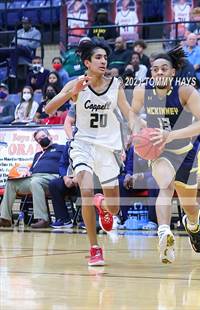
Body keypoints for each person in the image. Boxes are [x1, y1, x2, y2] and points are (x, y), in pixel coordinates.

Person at [45, 38, 133, 266]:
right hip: (83, 145)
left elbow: (128, 112)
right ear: (87, 62)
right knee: (85, 192)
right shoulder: (77, 83)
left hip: (109, 149)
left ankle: (102, 204)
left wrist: (139, 129)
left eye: (105, 57)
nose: (104, 61)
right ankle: (95, 248)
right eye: (98, 57)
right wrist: (70, 93)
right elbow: (48, 109)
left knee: (113, 208)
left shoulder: (116, 84)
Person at [131, 46, 200, 264]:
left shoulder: (185, 91)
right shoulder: (142, 90)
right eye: (155, 69)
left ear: (173, 72)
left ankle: (192, 224)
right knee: (165, 186)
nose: (159, 73)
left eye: (164, 69)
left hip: (185, 152)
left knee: (190, 205)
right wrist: (137, 128)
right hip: (159, 151)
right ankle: (164, 232)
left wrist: (171, 135)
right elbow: (132, 114)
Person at [0, 129, 65, 228]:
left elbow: (67, 162)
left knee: (35, 182)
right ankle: (5, 218)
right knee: (11, 183)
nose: (41, 139)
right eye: (39, 139)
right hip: (34, 177)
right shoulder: (38, 155)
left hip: (52, 178)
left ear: (50, 136)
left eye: (43, 136)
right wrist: (28, 172)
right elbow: (32, 169)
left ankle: (43, 219)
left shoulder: (61, 148)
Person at [49, 142, 79, 228]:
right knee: (54, 184)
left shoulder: (91, 143)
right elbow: (62, 164)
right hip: (70, 178)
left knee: (84, 183)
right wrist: (65, 177)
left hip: (87, 176)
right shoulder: (69, 144)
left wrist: (80, 176)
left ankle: (83, 219)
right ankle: (63, 219)